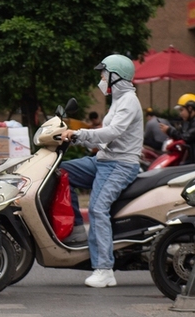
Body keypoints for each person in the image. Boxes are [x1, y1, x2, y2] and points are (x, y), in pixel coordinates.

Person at [59, 54, 143, 288]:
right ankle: (76, 230)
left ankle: (104, 268)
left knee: (97, 208)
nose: (101, 78)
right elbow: (104, 140)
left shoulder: (129, 101)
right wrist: (74, 137)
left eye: (104, 74)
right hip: (103, 160)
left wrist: (79, 135)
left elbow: (112, 132)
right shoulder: (117, 101)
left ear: (116, 76)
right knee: (61, 171)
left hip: (120, 165)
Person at [160, 94, 195, 164]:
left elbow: (185, 137)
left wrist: (169, 130)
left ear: (190, 108)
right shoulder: (188, 122)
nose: (180, 114)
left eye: (182, 110)